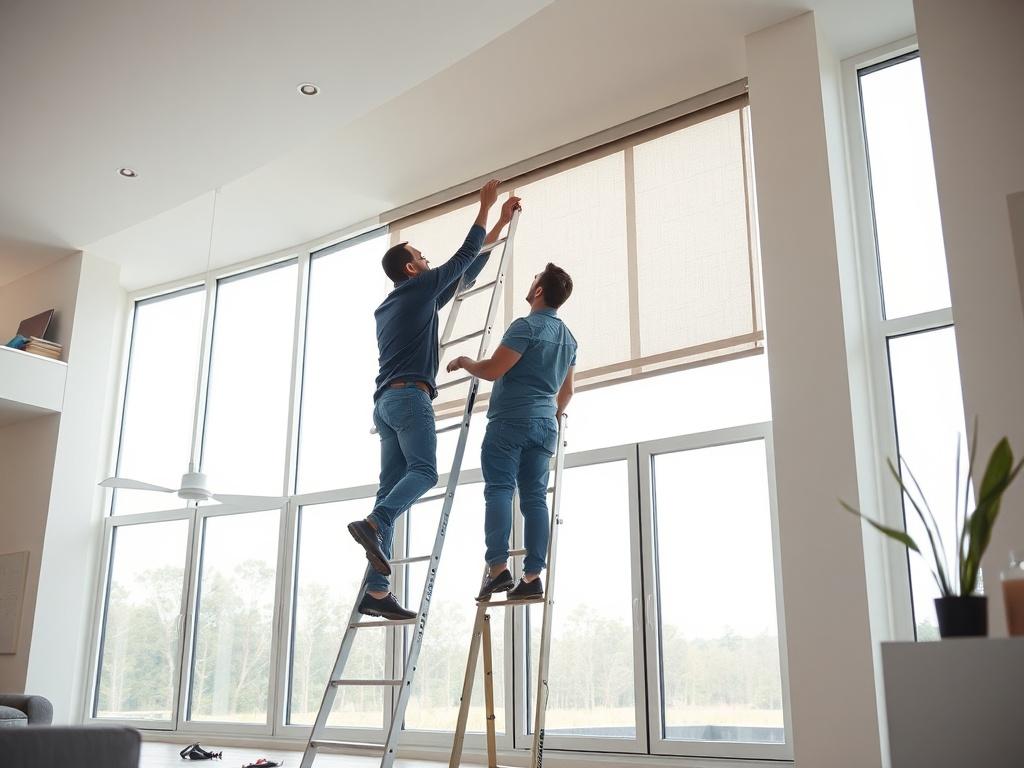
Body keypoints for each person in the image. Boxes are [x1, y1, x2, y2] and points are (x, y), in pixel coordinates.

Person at [348, 180, 522, 621]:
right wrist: (484, 209)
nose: (427, 261)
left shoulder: (398, 302)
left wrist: (501, 222)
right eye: (421, 257)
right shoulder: (418, 289)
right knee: (424, 473)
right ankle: (375, 523)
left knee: (391, 486)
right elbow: (462, 257)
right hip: (409, 399)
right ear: (411, 270)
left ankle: (378, 590)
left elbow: (467, 273)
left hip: (384, 405)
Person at [446, 262, 576, 602]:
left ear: (538, 291)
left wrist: (464, 362)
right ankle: (532, 576)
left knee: (500, 491)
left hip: (509, 422)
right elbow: (568, 392)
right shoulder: (569, 338)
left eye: (534, 278)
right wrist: (551, 415)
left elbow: (492, 371)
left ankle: (499, 569)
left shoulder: (525, 327)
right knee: (534, 498)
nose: (531, 280)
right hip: (545, 424)